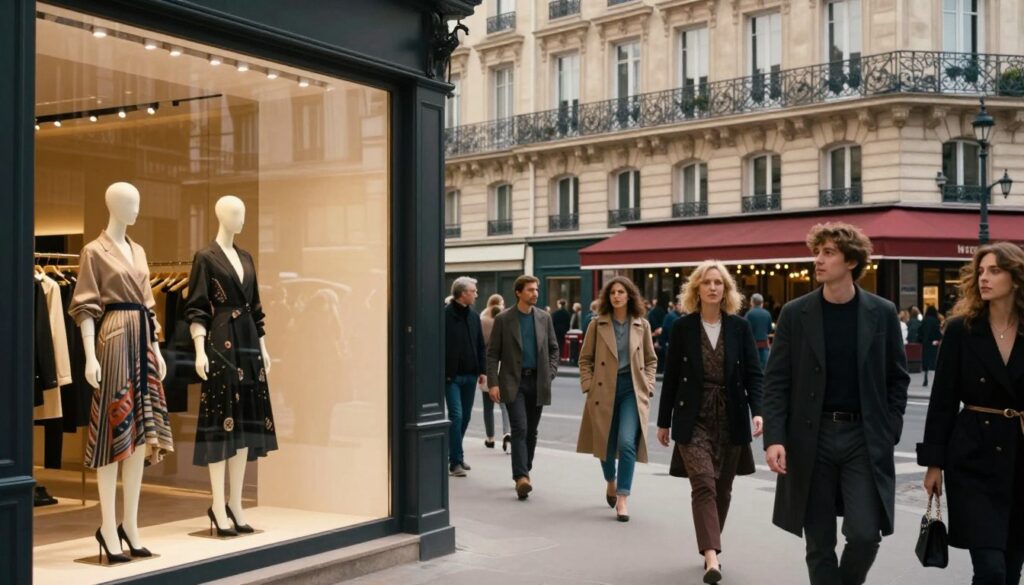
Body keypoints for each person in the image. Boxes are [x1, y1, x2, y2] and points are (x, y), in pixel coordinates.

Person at [762, 222, 909, 585]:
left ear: (852, 262)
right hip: (811, 438)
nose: (818, 260)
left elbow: (897, 377)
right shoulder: (796, 313)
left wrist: (889, 428)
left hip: (864, 437)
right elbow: (776, 381)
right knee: (819, 539)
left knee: (864, 534)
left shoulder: (882, 312)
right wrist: (775, 438)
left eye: (828, 253)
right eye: (817, 252)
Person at [919, 242, 1024, 585]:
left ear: (1016, 278)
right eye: (980, 271)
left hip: (1020, 454)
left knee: (1011, 567)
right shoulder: (961, 330)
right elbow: (942, 400)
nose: (984, 278)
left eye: (994, 271)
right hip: (973, 458)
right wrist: (934, 464)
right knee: (991, 569)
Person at [657, 261, 764, 584]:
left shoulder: (740, 327)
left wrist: (758, 411)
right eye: (707, 282)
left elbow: (754, 375)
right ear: (697, 289)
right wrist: (663, 422)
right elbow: (671, 377)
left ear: (726, 289)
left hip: (731, 415)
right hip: (693, 416)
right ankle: (711, 556)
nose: (713, 287)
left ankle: (709, 544)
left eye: (719, 282)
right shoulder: (683, 328)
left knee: (723, 489)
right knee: (703, 483)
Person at [576, 277, 657, 522]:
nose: (617, 296)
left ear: (629, 295)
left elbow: (651, 360)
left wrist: (648, 385)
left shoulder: (641, 324)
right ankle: (610, 481)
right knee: (605, 444)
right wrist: (589, 386)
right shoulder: (597, 324)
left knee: (627, 442)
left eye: (621, 292)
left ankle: (623, 497)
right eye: (612, 293)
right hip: (603, 389)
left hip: (632, 389)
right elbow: (585, 359)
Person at [486, 276, 560, 500]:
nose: (535, 293)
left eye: (536, 289)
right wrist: (493, 383)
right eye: (530, 290)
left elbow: (554, 349)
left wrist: (550, 372)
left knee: (532, 431)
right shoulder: (504, 319)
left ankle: (524, 469)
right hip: (513, 382)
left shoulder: (544, 317)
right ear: (518, 292)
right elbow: (492, 354)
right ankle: (521, 477)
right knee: (520, 428)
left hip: (538, 381)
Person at [443, 277, 486, 477]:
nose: (476, 294)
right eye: (473, 291)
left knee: (466, 417)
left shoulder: (474, 317)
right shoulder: (445, 315)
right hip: (451, 376)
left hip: (470, 375)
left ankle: (455, 454)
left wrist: (482, 370)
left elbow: (480, 346)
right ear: (463, 293)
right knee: (457, 416)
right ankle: (455, 463)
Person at [480, 295, 512, 452]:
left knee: (488, 407)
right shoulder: (505, 321)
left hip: (487, 367)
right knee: (504, 405)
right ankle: (507, 433)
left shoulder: (482, 320)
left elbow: (479, 347)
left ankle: (490, 438)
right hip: (502, 367)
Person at [745, 293, 773, 370]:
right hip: (764, 345)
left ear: (752, 302)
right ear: (762, 303)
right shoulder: (767, 314)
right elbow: (769, 330)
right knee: (764, 368)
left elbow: (744, 330)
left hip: (752, 345)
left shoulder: (749, 314)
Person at [921, 306, 943, 386]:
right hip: (933, 342)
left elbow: (920, 330)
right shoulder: (935, 320)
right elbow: (937, 331)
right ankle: (934, 378)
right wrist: (939, 338)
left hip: (925, 343)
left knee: (926, 359)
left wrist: (922, 339)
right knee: (934, 360)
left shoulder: (924, 320)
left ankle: (925, 374)